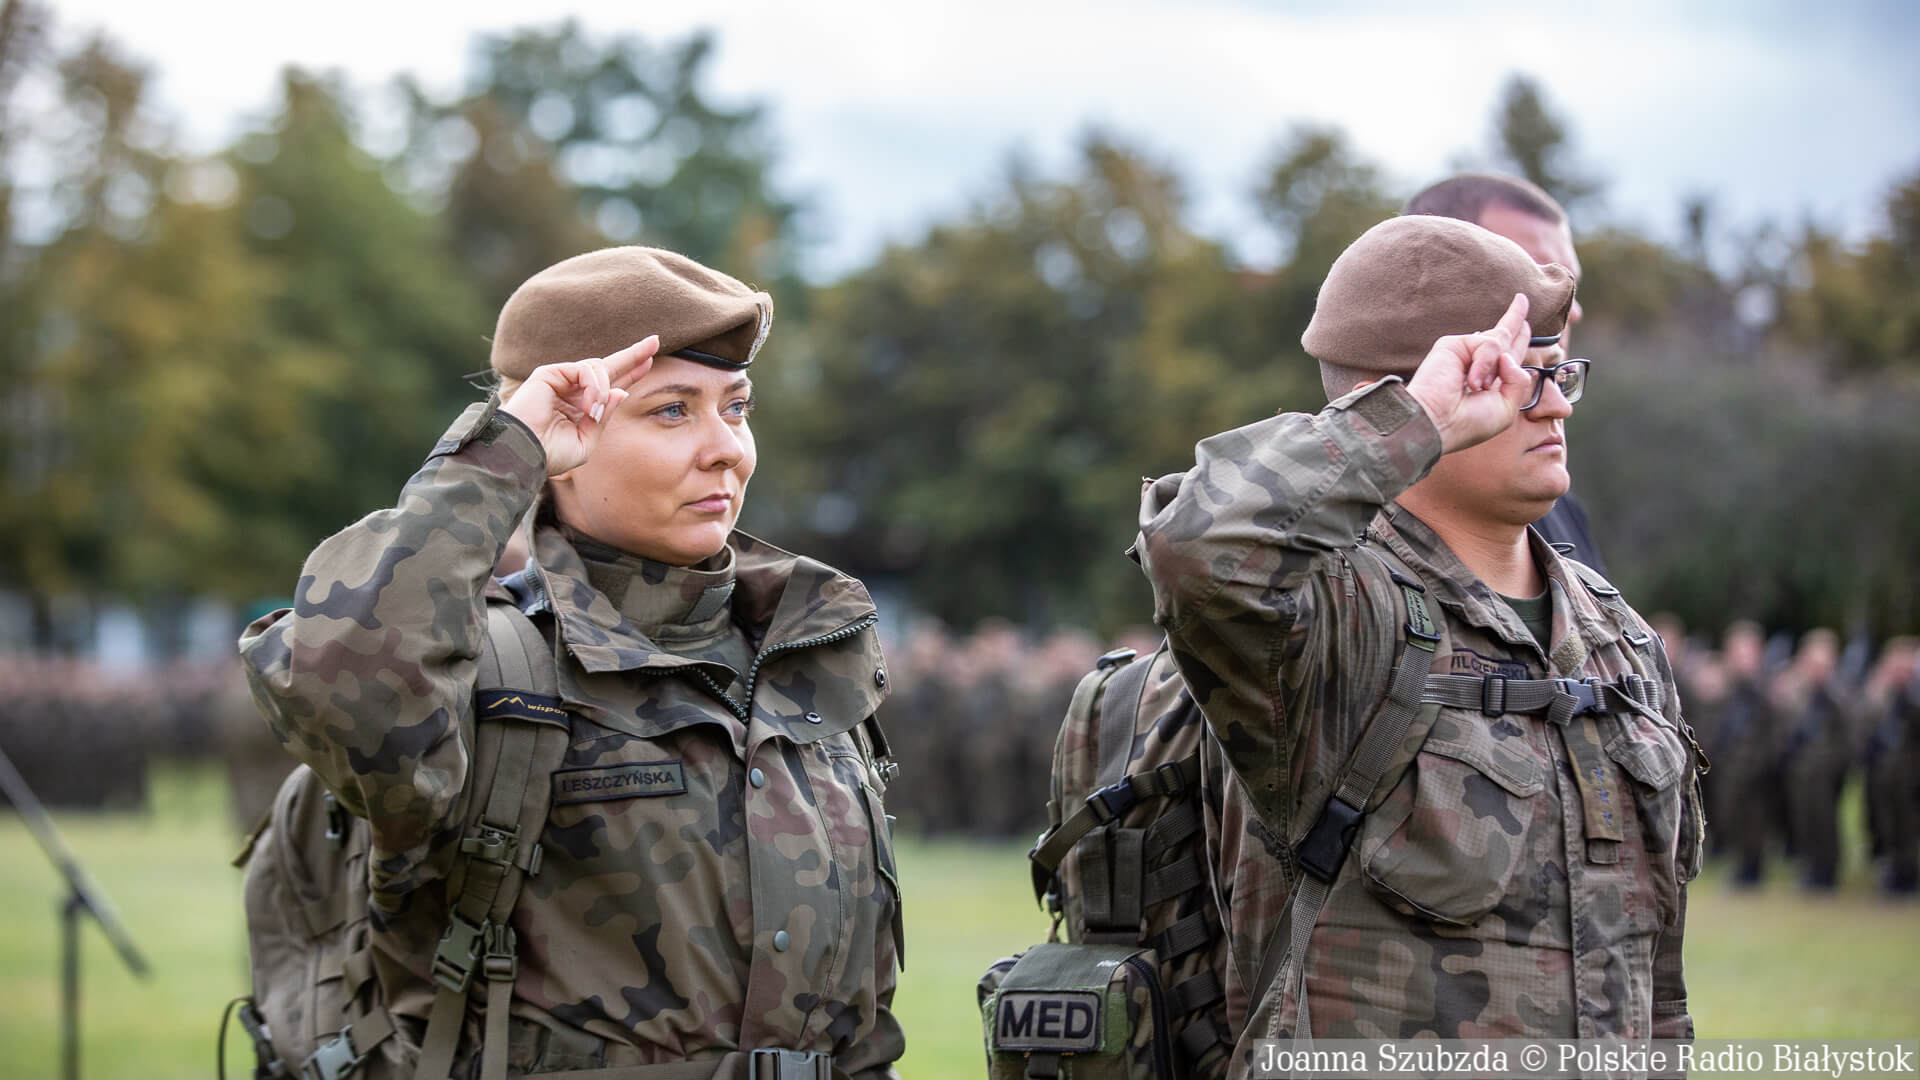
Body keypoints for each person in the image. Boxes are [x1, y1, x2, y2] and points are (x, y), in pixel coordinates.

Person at [238, 247, 904, 1078]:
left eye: (736, 407)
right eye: (670, 411)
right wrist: (499, 457)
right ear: (566, 436)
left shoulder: (804, 656)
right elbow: (336, 684)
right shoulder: (487, 668)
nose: (725, 449)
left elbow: (861, 1013)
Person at [1133, 215, 1702, 1062]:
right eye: (1518, 377)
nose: (1554, 404)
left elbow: (1657, 982)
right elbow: (1194, 549)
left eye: (1560, 373)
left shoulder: (1617, 637)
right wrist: (1412, 424)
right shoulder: (1331, 617)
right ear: (1424, 391)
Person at [1405, 173, 1606, 573]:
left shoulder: (1555, 500)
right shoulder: (1351, 498)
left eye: (1569, 284)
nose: (1572, 309)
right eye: (1536, 274)